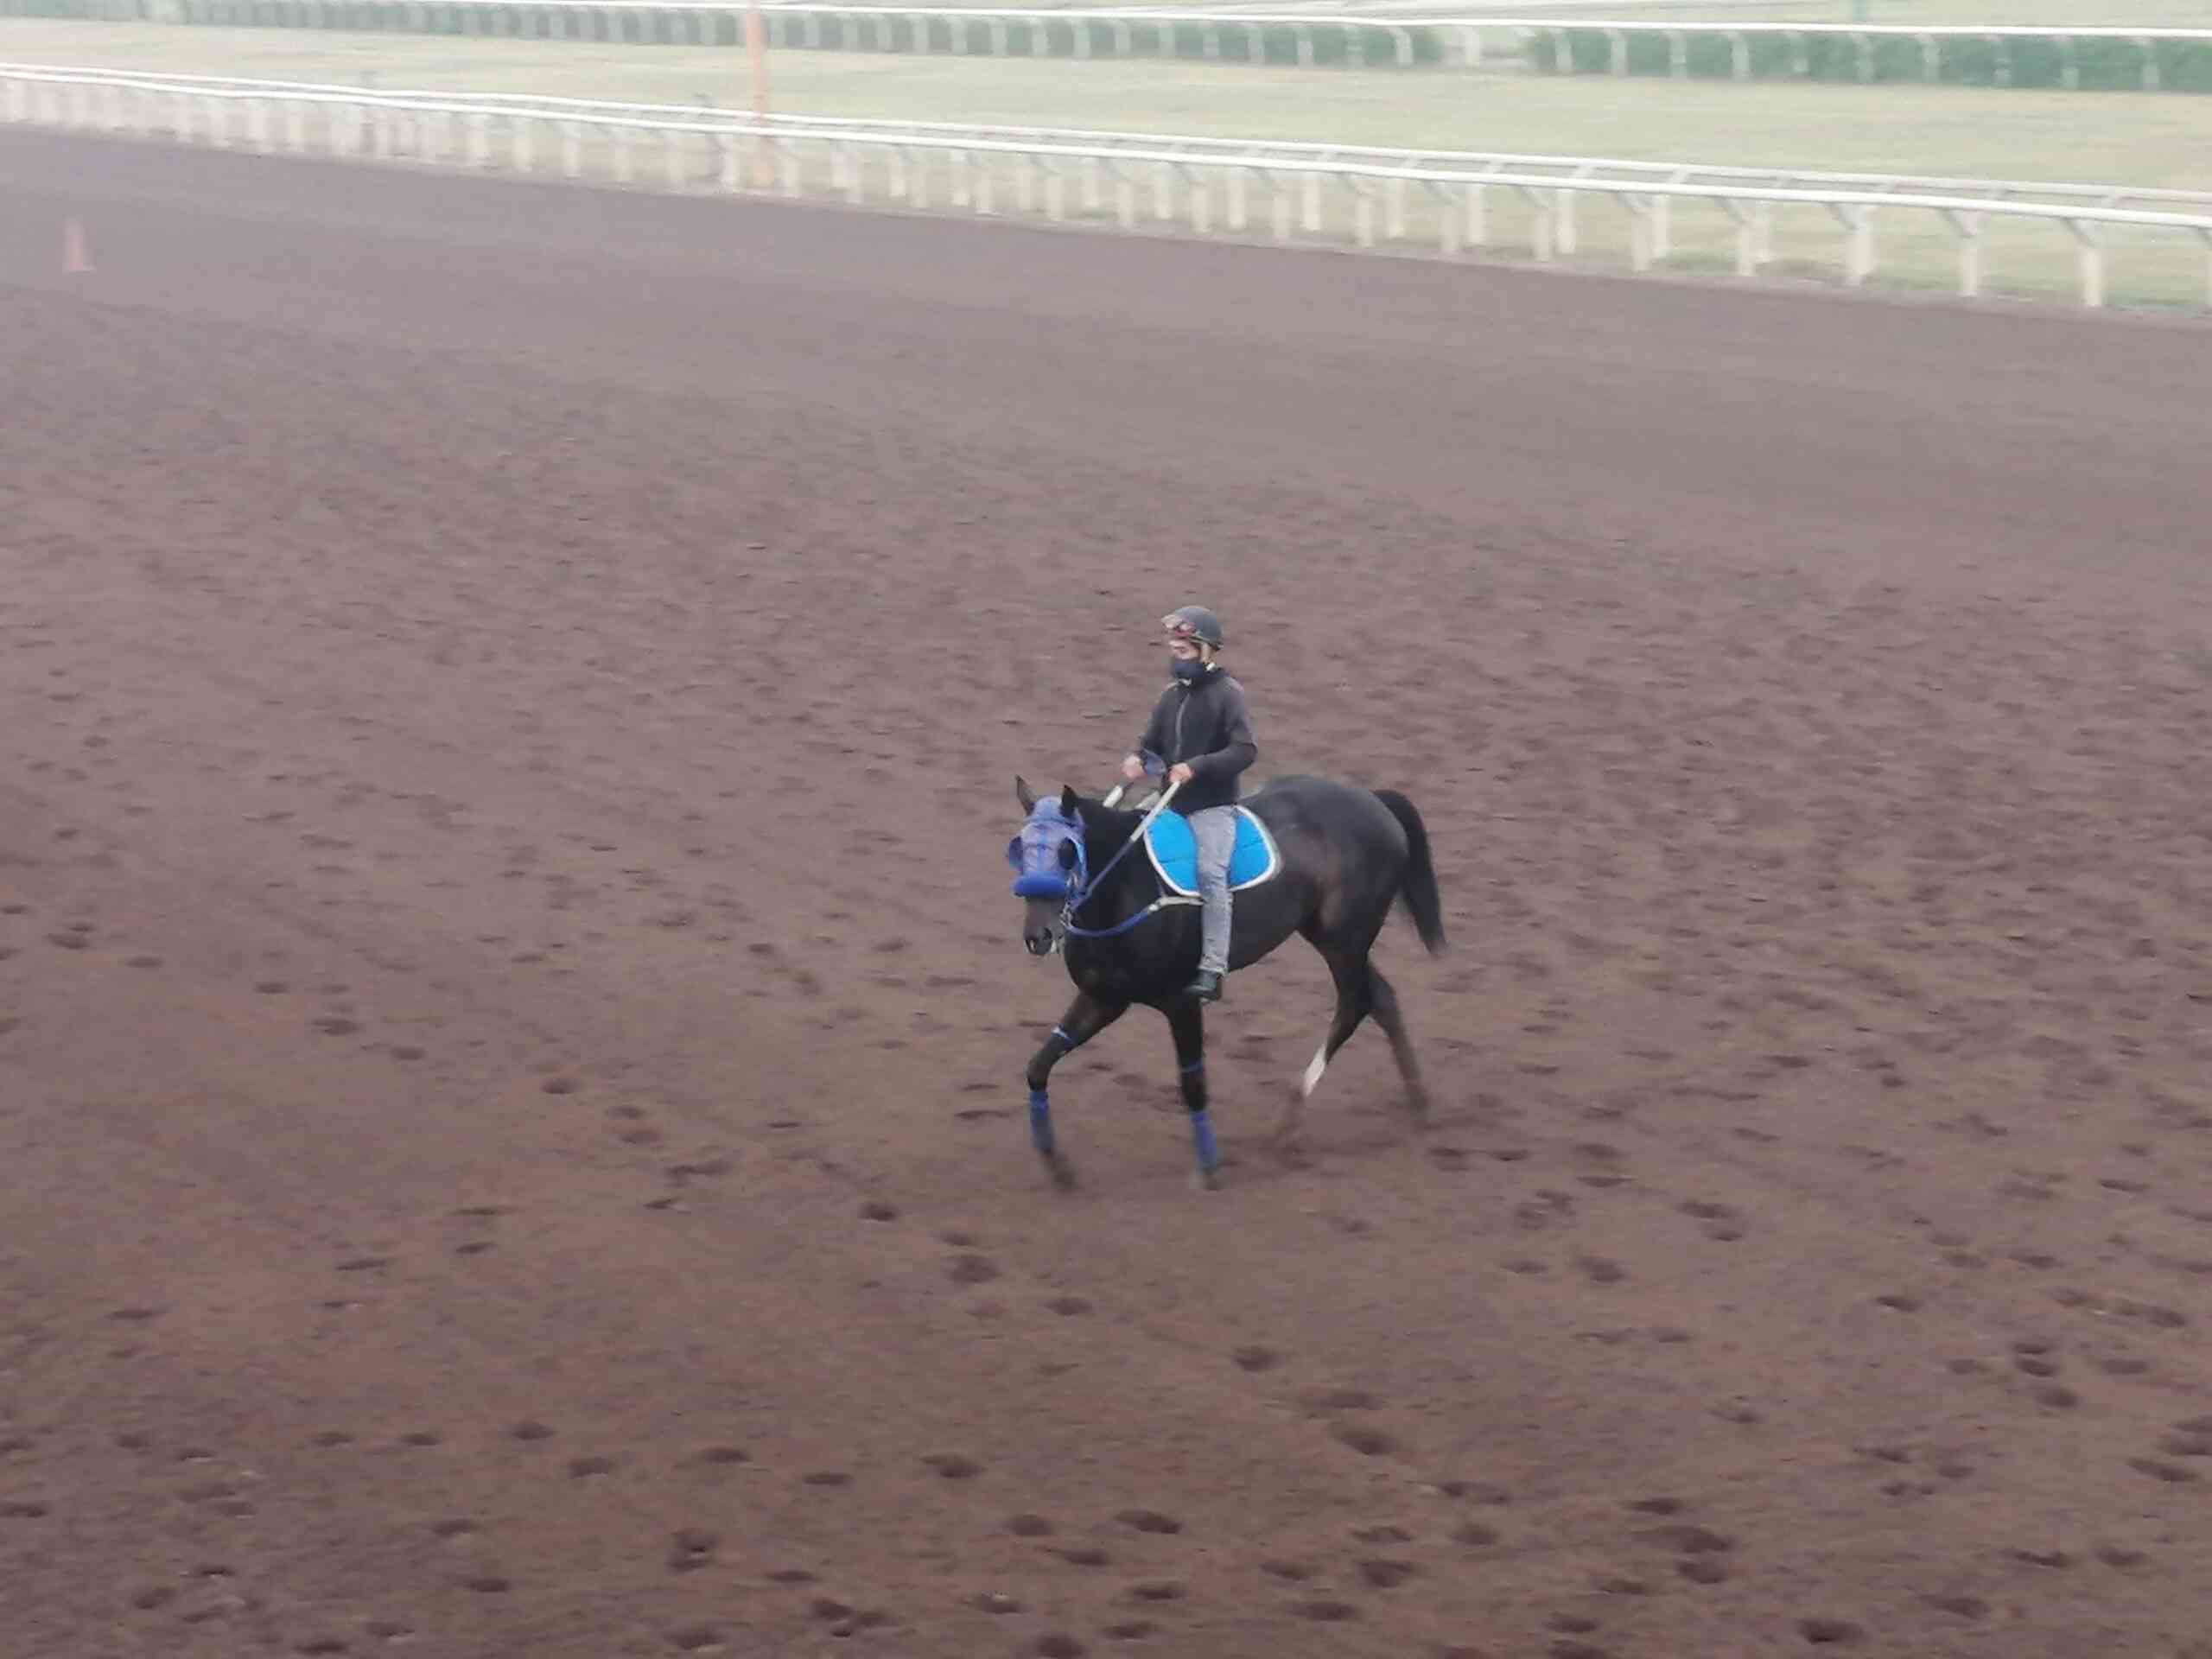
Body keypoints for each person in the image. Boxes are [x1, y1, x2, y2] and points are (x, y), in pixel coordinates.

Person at [1122, 606, 1258, 1004]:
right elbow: (1152, 745)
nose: (1176, 656)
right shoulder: (1171, 696)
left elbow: (1245, 750)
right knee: (1122, 842)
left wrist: (1196, 767)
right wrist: (1138, 759)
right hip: (1169, 800)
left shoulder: (1228, 694)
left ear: (1205, 650)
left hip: (1211, 805)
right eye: (1174, 650)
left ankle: (1213, 969)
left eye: (1183, 650)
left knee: (1211, 874)